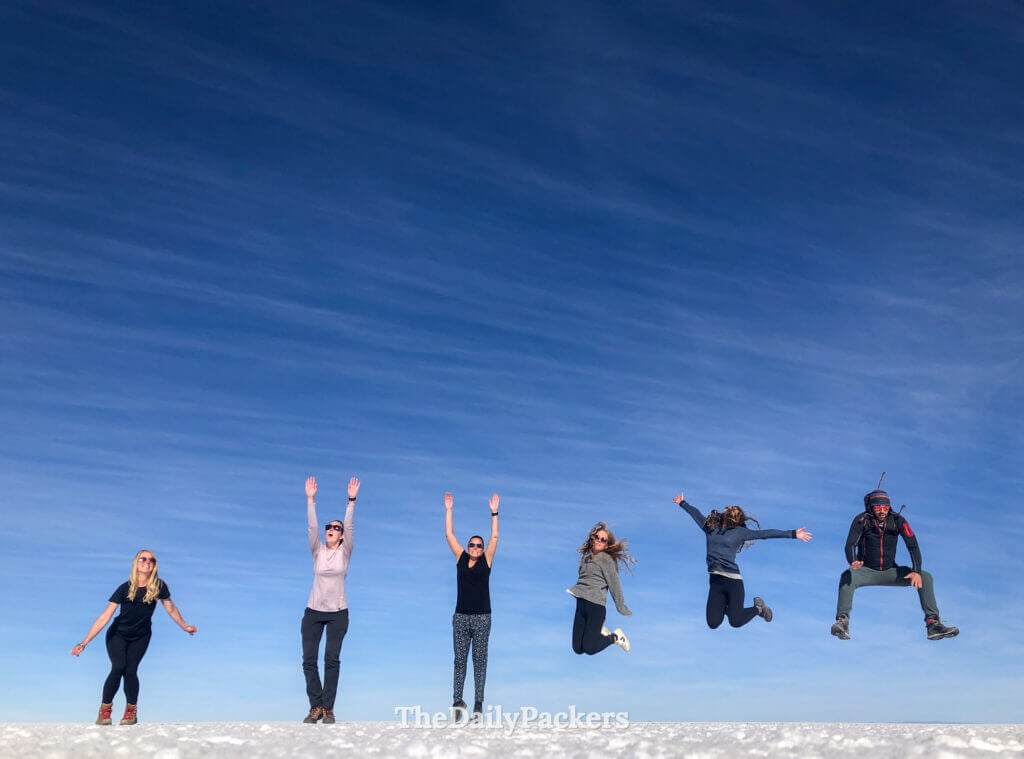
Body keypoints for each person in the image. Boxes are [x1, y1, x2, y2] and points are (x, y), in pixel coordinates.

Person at [70, 549, 197, 725]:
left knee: (131, 670)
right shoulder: (125, 588)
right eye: (143, 558)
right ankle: (104, 711)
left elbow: (171, 608)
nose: (147, 561)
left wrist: (185, 626)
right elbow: (104, 616)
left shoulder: (159, 586)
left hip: (141, 636)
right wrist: (84, 643)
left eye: (151, 559)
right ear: (136, 563)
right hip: (117, 634)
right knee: (118, 666)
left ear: (154, 565)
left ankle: (131, 712)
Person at [830, 487, 959, 641]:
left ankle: (933, 624)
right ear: (872, 507)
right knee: (847, 576)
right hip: (866, 571)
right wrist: (853, 561)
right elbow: (850, 545)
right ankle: (842, 622)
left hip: (890, 571)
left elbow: (913, 545)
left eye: (885, 507)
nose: (882, 511)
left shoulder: (898, 520)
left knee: (925, 577)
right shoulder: (861, 520)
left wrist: (916, 570)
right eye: (878, 507)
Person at [673, 492, 812, 628]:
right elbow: (696, 514)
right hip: (715, 583)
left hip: (733, 582)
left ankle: (759, 609)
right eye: (728, 509)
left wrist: (792, 534)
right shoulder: (710, 527)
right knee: (713, 623)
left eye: (732, 511)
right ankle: (728, 606)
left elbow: (765, 534)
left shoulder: (740, 532)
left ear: (735, 518)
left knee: (736, 621)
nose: (727, 510)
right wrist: (682, 503)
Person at [301, 474, 359, 724]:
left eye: (336, 528)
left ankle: (328, 708)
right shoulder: (318, 551)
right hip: (313, 611)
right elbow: (312, 528)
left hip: (338, 613)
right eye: (329, 527)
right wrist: (311, 499)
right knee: (308, 660)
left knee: (331, 659)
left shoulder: (345, 552)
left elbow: (350, 526)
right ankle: (315, 706)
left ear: (342, 536)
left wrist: (351, 501)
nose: (331, 530)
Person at [444, 491, 499, 720]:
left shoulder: (486, 560)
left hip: (482, 618)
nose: (476, 548)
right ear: (467, 547)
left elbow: (494, 538)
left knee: (480, 660)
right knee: (459, 660)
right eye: (472, 545)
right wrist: (449, 510)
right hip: (461, 617)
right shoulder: (461, 559)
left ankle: (478, 704)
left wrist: (494, 513)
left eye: (479, 545)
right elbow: (449, 534)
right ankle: (458, 702)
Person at [568, 522, 634, 655]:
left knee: (590, 648)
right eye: (597, 537)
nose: (599, 540)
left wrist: (621, 606)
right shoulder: (586, 560)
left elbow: (614, 583)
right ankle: (600, 629)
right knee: (578, 649)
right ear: (593, 538)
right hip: (581, 604)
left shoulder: (606, 560)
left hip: (595, 606)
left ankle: (615, 637)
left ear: (606, 545)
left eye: (603, 540)